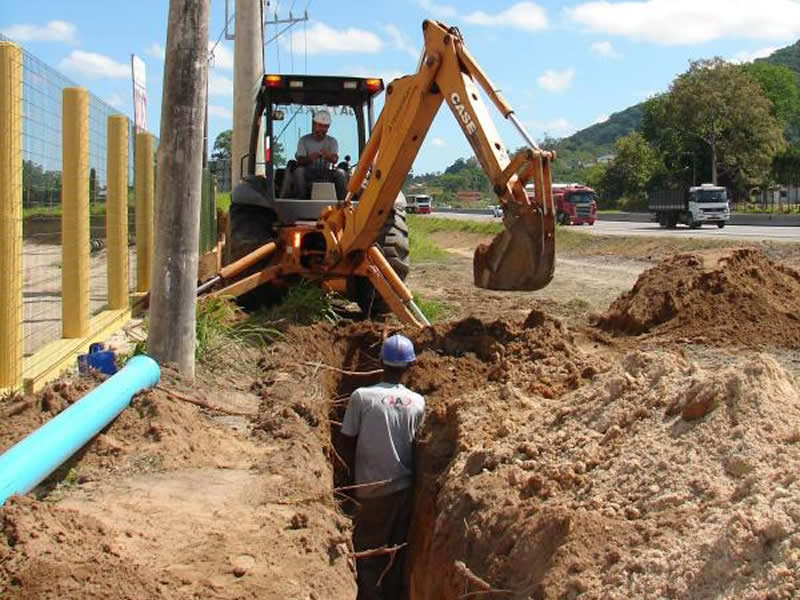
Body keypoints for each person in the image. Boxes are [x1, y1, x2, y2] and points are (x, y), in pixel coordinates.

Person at [341, 334, 425, 600]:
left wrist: (346, 483)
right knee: (396, 552)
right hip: (404, 488)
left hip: (371, 489)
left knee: (367, 551)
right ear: (410, 366)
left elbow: (346, 441)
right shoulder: (418, 402)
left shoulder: (362, 397)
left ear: (381, 362)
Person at [290, 108, 347, 200]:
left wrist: (327, 156)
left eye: (325, 127)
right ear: (314, 125)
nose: (322, 129)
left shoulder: (332, 141)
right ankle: (301, 200)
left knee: (341, 173)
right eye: (320, 126)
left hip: (326, 173)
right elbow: (300, 161)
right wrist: (310, 158)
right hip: (309, 173)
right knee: (299, 172)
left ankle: (344, 203)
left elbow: (335, 159)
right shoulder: (304, 140)